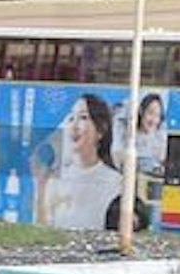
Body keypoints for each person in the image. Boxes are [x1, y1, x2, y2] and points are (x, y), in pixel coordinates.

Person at [32, 94, 121, 232]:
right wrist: (40, 186)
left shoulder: (116, 183)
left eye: (83, 117)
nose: (74, 125)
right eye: (71, 118)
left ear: (101, 130)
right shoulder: (54, 180)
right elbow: (41, 229)